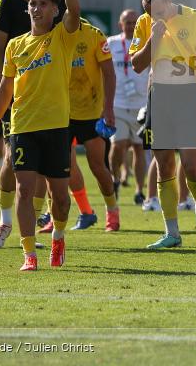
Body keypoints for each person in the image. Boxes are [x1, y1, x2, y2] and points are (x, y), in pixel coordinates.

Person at [0, 0, 80, 271]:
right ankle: (29, 254)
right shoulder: (15, 46)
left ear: (55, 10)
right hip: (23, 125)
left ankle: (59, 237)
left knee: (60, 198)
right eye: (32, 4)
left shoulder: (62, 37)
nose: (36, 9)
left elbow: (75, 11)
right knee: (24, 189)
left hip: (56, 127)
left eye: (42, 4)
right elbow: (5, 90)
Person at [130, 0, 196, 249]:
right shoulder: (145, 23)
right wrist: (152, 40)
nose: (152, 16)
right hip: (159, 98)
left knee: (191, 165)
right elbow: (137, 65)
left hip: (188, 95)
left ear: (168, 0)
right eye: (148, 12)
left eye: (156, 10)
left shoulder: (194, 17)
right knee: (164, 165)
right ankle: (172, 232)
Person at [42, 18, 119, 232]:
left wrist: (108, 108)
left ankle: (112, 211)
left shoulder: (94, 34)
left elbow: (109, 73)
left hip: (91, 113)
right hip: (62, 114)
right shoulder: (52, 34)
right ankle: (81, 213)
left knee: (98, 166)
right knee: (59, 167)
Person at [107, 9, 149, 206]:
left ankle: (140, 190)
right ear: (120, 24)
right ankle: (115, 178)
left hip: (141, 104)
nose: (131, 25)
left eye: (134, 22)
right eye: (128, 22)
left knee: (140, 149)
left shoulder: (146, 42)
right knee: (118, 145)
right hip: (118, 103)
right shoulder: (111, 43)